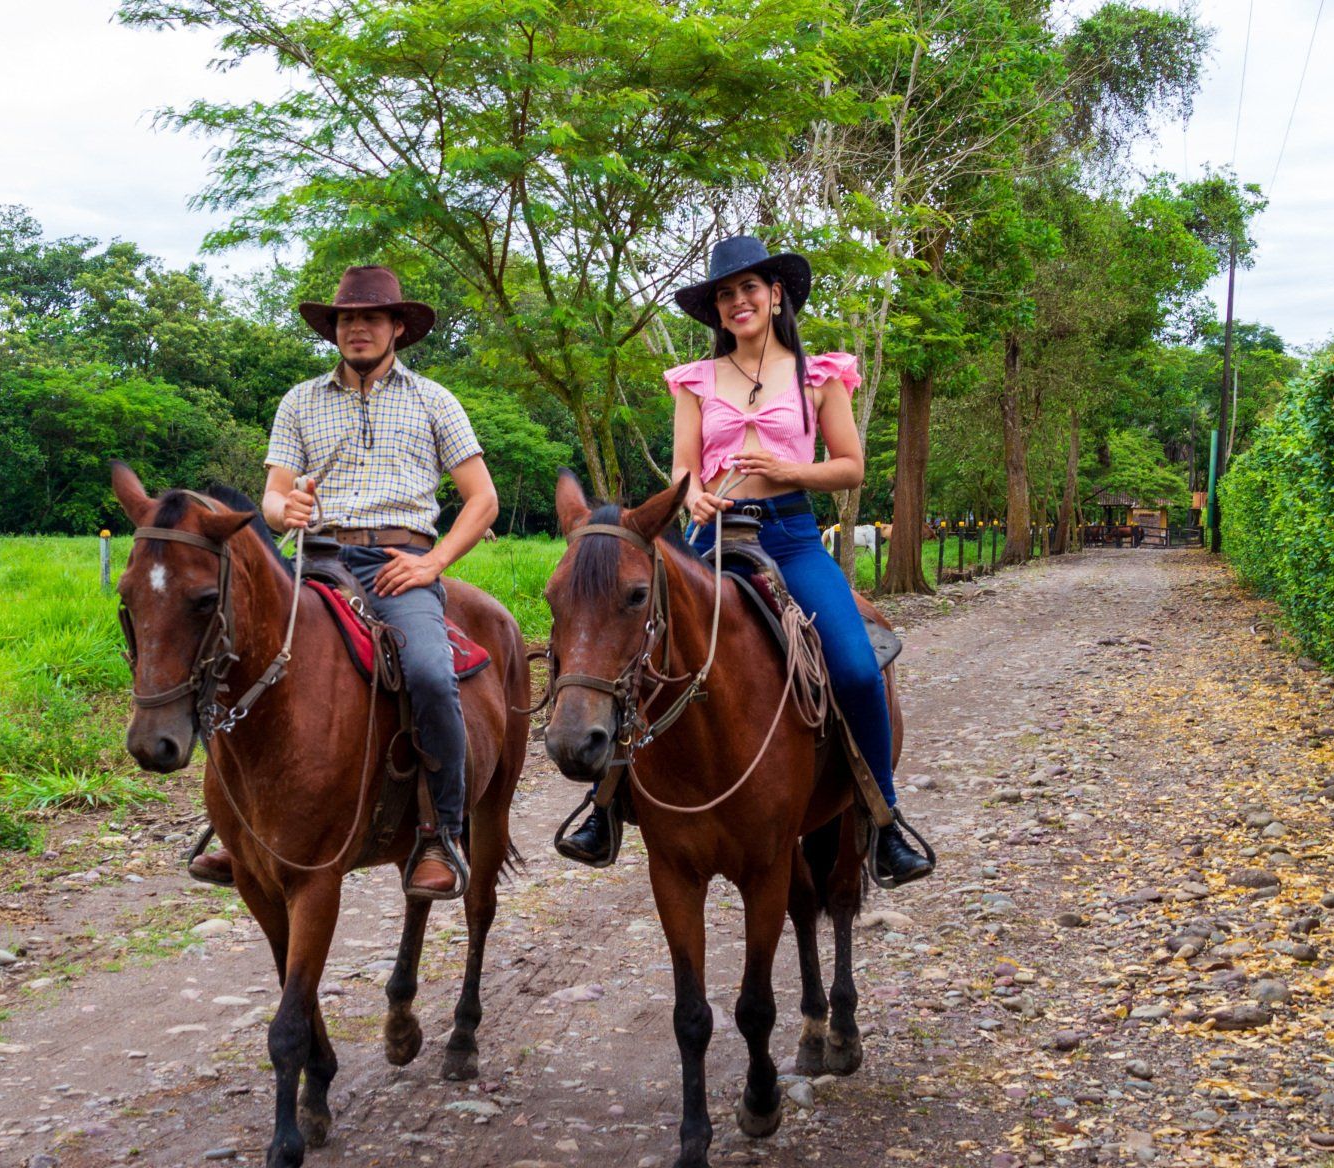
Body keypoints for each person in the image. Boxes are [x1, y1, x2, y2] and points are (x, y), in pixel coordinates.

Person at [555, 235, 935, 888]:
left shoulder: (820, 377)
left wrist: (789, 470)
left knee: (852, 664)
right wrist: (693, 492)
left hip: (789, 537)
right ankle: (606, 806)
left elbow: (850, 468)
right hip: (711, 542)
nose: (738, 302)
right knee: (640, 655)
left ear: (775, 294)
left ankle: (883, 819)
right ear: (716, 310)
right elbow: (682, 462)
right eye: (726, 294)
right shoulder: (696, 382)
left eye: (749, 289)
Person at [186, 265, 500, 901]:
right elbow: (274, 496)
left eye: (372, 318)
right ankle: (236, 825)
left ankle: (441, 831)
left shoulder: (435, 400)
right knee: (233, 655)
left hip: (398, 561)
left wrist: (433, 564)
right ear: (334, 330)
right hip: (316, 558)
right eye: (347, 319)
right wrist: (284, 511)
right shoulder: (299, 400)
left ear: (396, 328)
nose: (358, 328)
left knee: (432, 676)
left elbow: (482, 499)